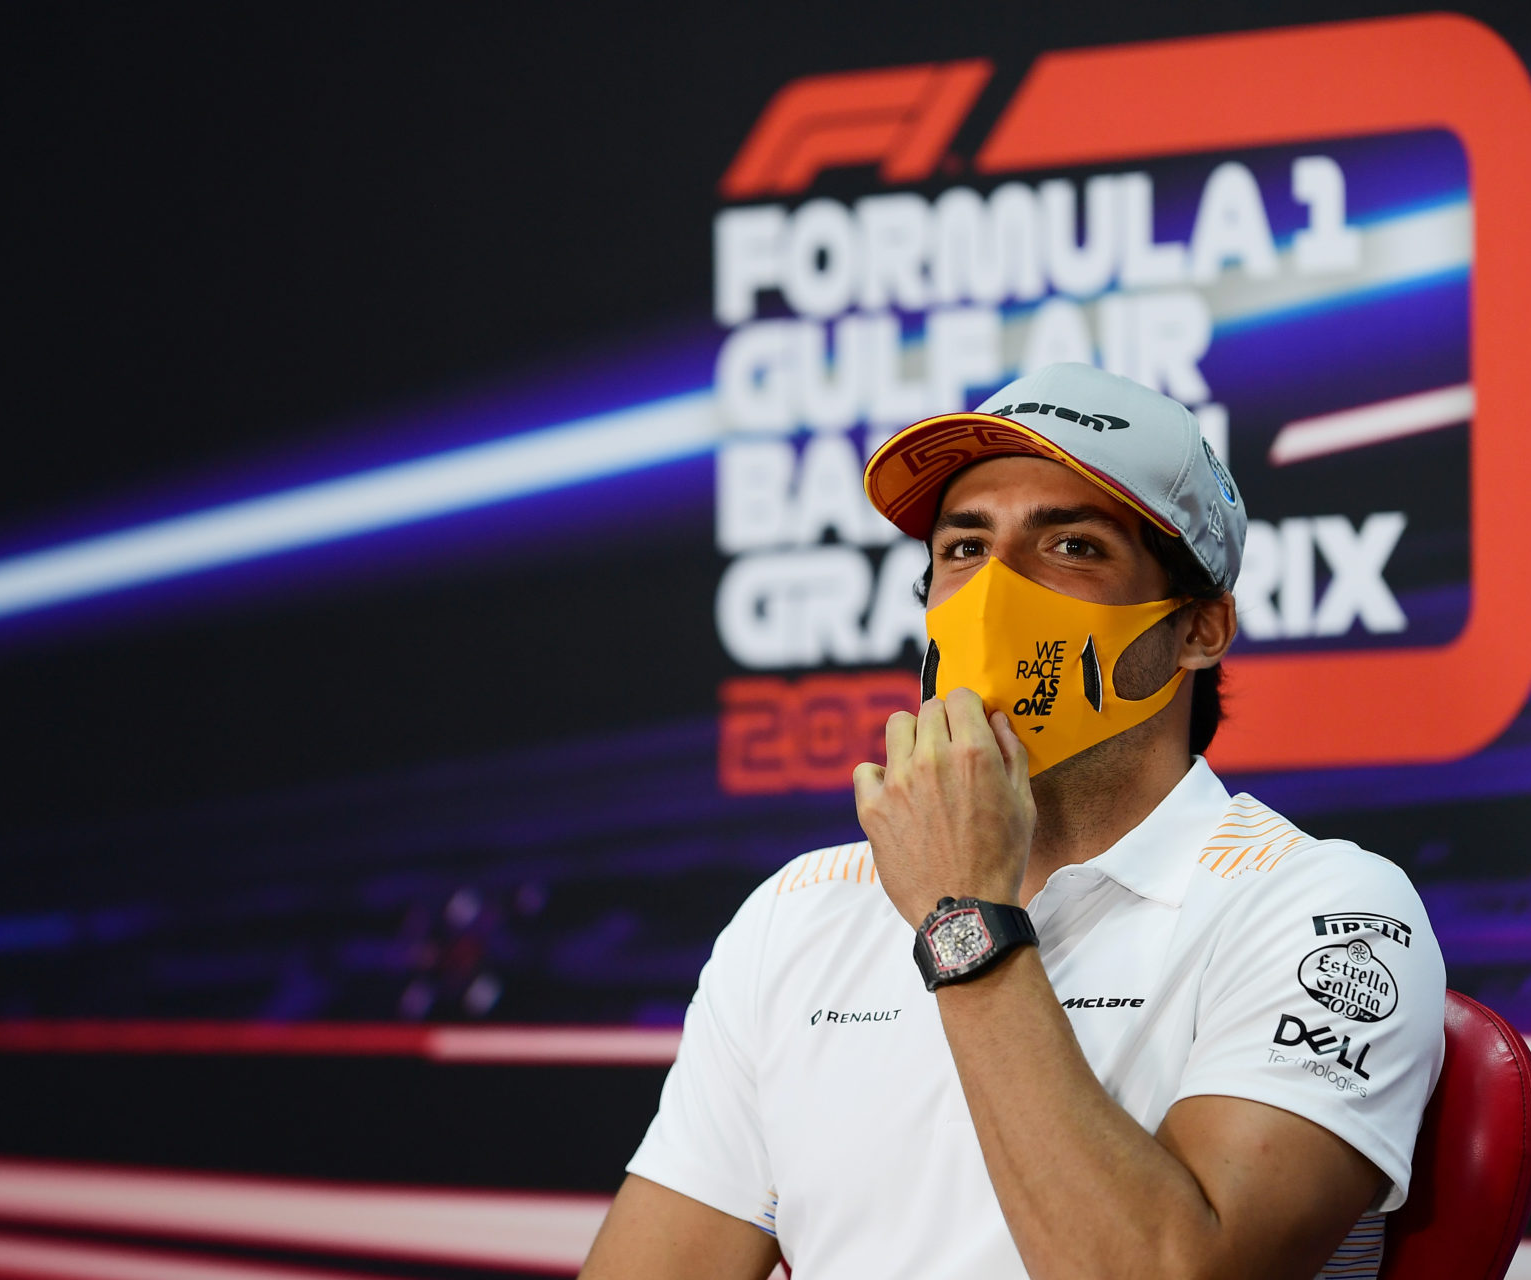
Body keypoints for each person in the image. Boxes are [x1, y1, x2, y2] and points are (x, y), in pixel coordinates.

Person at [585, 363, 1445, 1280]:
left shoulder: (1321, 909)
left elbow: (1172, 1269)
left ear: (1200, 628)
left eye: (1071, 546)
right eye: (963, 549)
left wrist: (962, 912)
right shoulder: (799, 914)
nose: (997, 591)